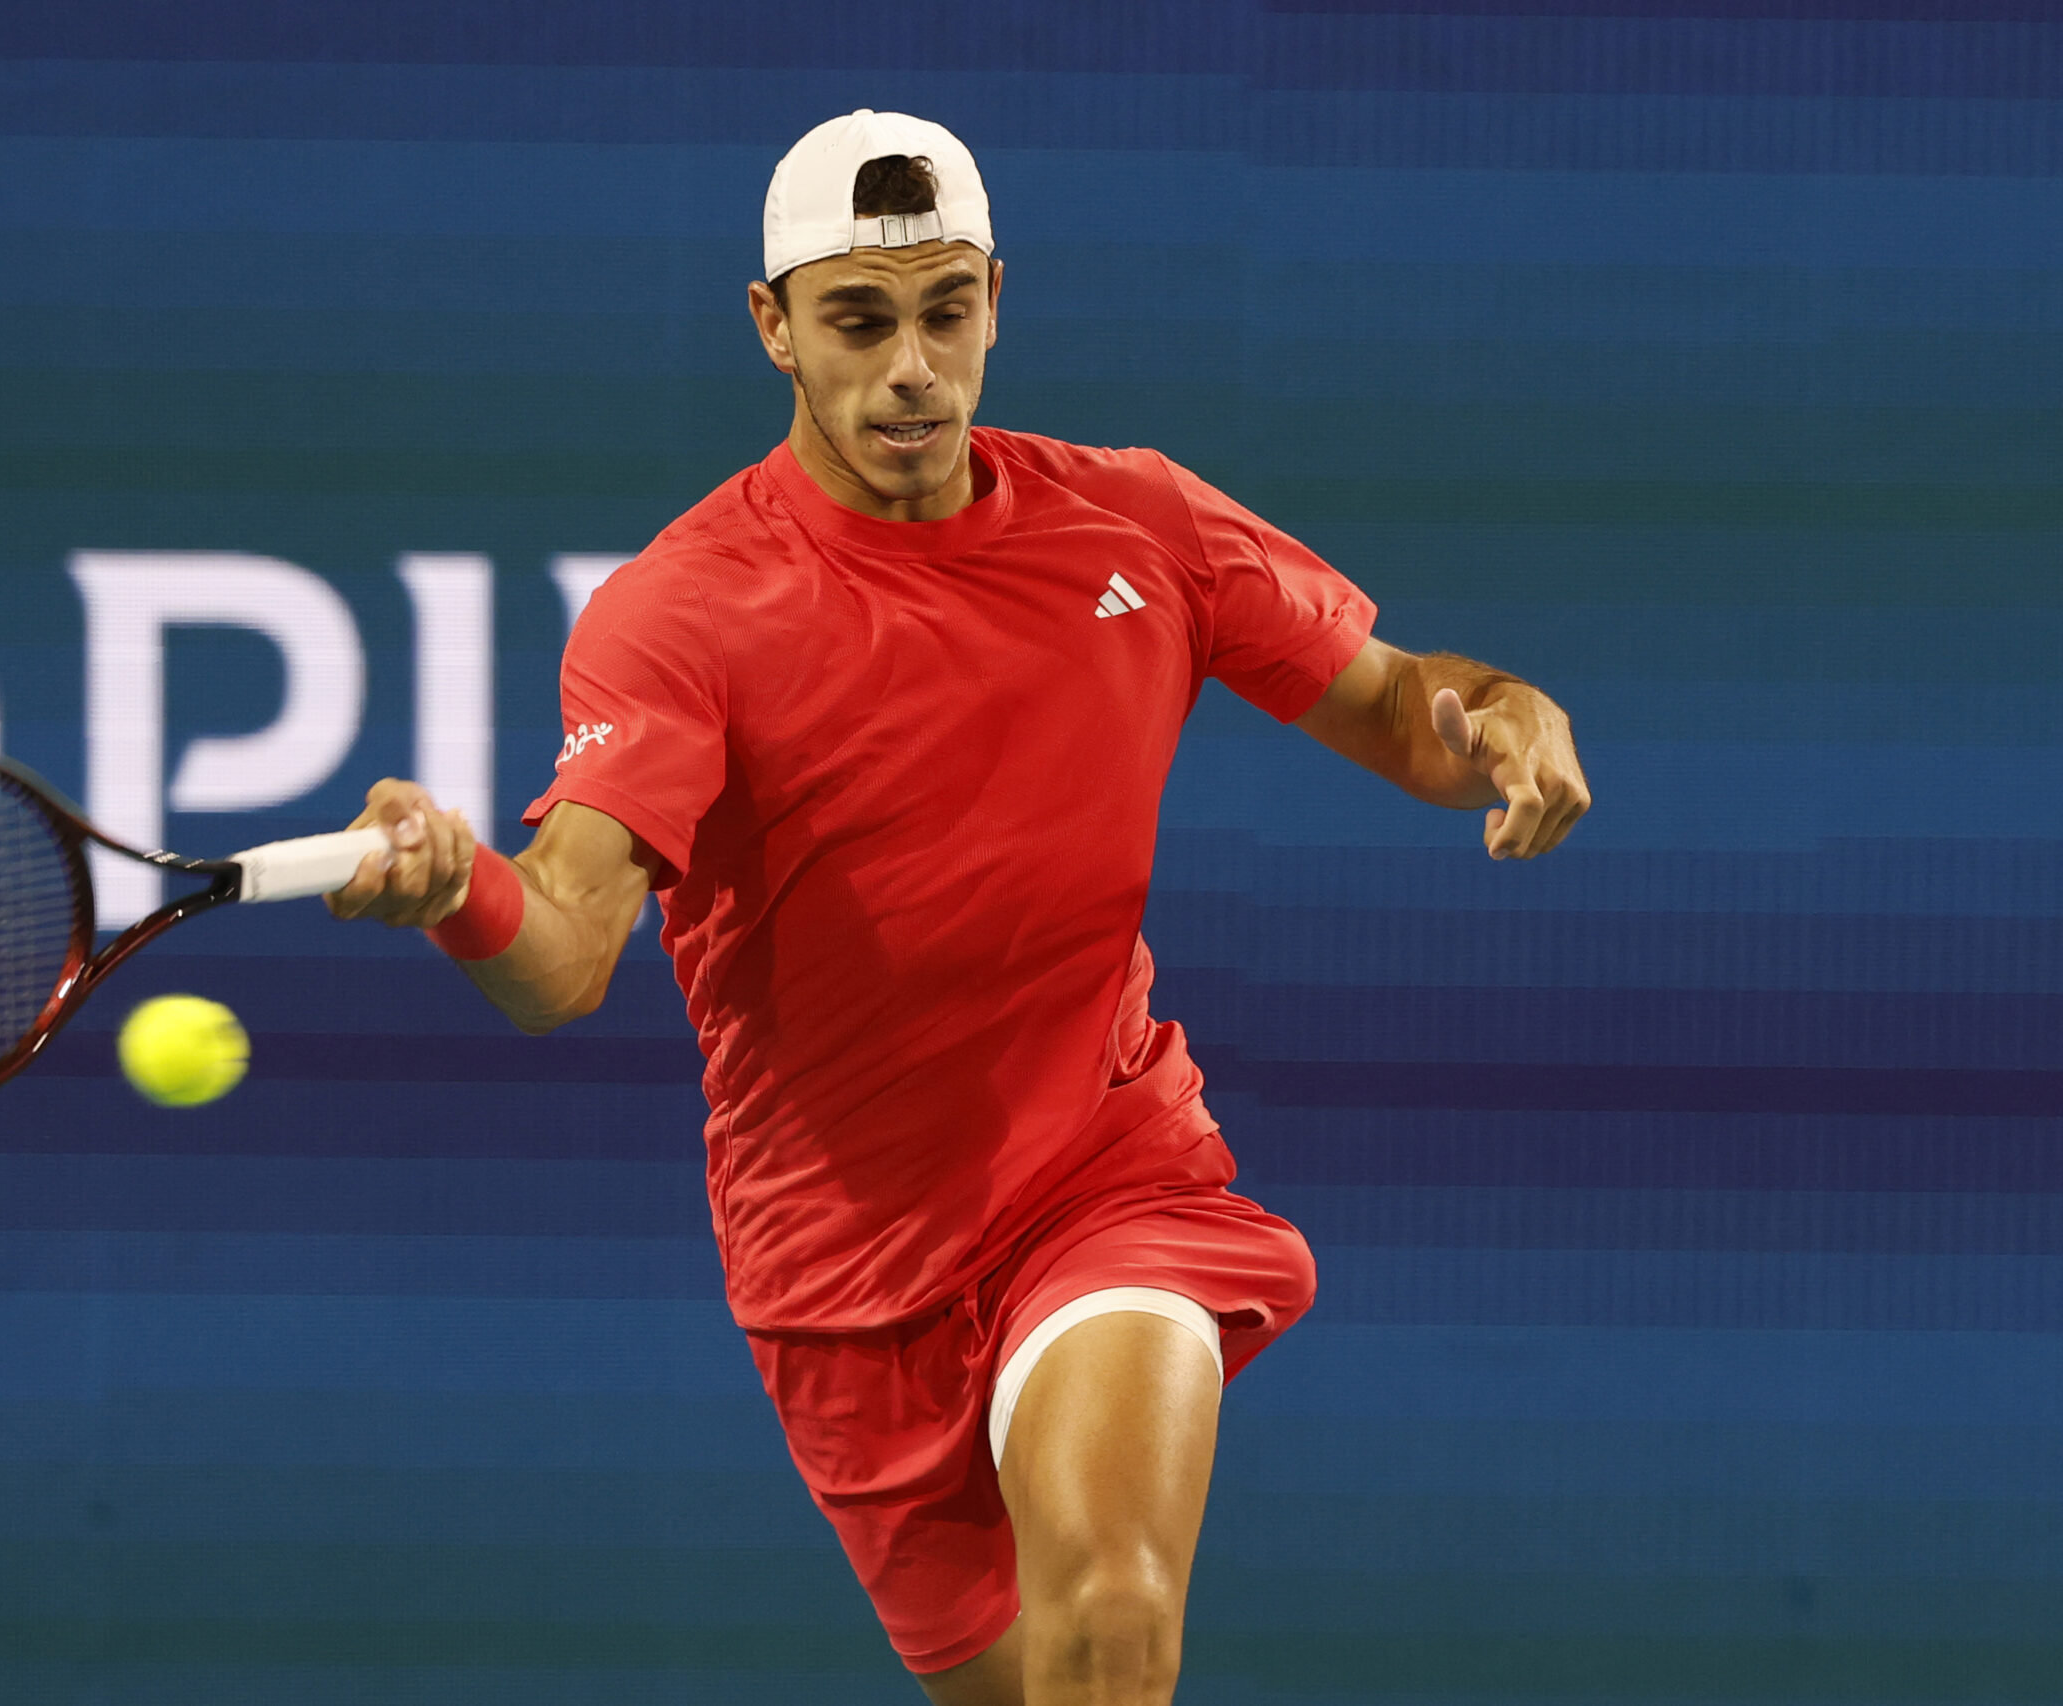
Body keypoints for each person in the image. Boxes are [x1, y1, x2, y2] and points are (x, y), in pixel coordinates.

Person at [329, 110, 1589, 1706]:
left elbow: (1407, 704)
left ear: (997, 296)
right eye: (859, 322)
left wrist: (1506, 712)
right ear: (773, 326)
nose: (912, 366)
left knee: (1117, 1618)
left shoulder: (1137, 525)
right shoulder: (682, 614)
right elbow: (569, 951)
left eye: (946, 312)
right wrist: (462, 895)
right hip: (843, 1282)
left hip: (1101, 1172)